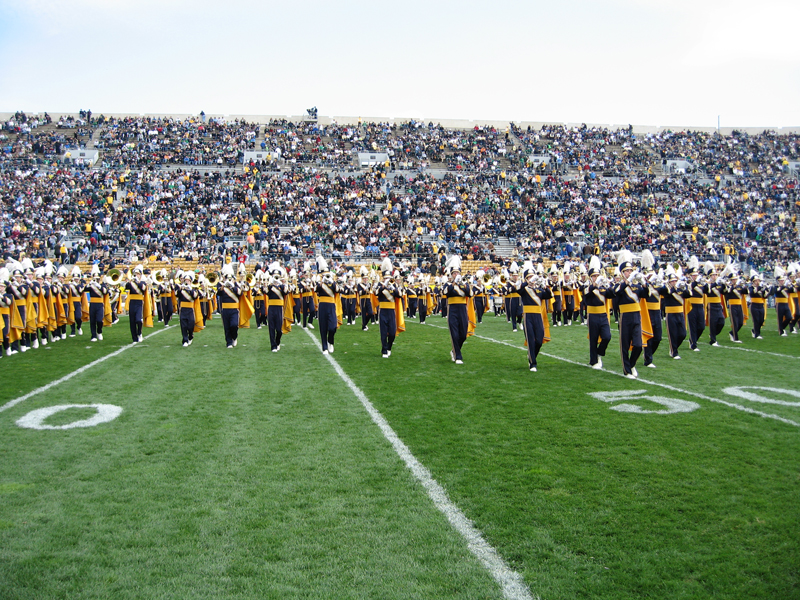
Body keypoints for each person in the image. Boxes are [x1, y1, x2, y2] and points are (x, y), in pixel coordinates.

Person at [509, 261, 552, 372]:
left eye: (533, 276)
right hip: (528, 316)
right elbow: (517, 288)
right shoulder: (524, 290)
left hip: (538, 316)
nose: (532, 279)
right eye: (529, 277)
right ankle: (533, 363)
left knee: (539, 341)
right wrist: (526, 282)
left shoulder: (539, 289)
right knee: (531, 340)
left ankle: (531, 355)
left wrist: (545, 285)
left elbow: (549, 295)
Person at [613, 253, 648, 379]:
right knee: (625, 345)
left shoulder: (636, 285)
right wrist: (626, 282)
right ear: (622, 273)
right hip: (625, 316)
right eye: (626, 271)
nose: (629, 272)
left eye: (630, 270)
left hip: (636, 316)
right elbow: (616, 292)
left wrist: (644, 283)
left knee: (638, 345)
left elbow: (646, 294)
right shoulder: (619, 285)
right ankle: (627, 370)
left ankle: (632, 364)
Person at [583, 256, 614, 370]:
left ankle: (599, 353)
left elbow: (612, 295)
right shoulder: (587, 286)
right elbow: (586, 294)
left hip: (603, 315)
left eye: (597, 275)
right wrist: (594, 286)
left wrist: (608, 286)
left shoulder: (603, 287)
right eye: (594, 276)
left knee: (607, 336)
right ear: (590, 277)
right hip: (592, 315)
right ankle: (594, 361)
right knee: (593, 339)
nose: (596, 278)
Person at [442, 255, 473, 365]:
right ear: (451, 275)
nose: (456, 275)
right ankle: (458, 356)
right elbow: (445, 292)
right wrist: (454, 283)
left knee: (463, 334)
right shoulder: (448, 284)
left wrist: (464, 284)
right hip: (453, 310)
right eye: (454, 273)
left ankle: (454, 351)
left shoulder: (464, 284)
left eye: (457, 273)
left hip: (462, 310)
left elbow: (470, 294)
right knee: (454, 334)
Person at [656, 269, 690, 360]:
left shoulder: (679, 289)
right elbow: (664, 291)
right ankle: (674, 351)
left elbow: (688, 295)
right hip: (670, 313)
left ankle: (674, 348)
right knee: (673, 334)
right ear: (669, 282)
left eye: (675, 281)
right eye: (672, 281)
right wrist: (669, 286)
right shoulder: (666, 289)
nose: (674, 282)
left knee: (683, 334)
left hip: (680, 313)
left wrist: (686, 287)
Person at [374, 258, 402, 358]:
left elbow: (400, 295)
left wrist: (394, 288)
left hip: (391, 311)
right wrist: (383, 286)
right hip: (383, 310)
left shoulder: (394, 285)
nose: (388, 280)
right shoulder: (379, 285)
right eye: (386, 278)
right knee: (383, 332)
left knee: (392, 333)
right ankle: (384, 350)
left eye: (389, 278)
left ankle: (389, 347)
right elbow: (376, 293)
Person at [314, 256, 340, 355]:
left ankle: (331, 342)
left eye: (327, 275)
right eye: (324, 275)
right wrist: (321, 281)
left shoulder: (333, 283)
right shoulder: (319, 283)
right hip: (322, 306)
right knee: (323, 326)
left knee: (332, 327)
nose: (326, 276)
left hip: (331, 305)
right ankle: (324, 347)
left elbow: (338, 290)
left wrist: (332, 281)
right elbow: (316, 290)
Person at [265, 262, 289, 352]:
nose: (276, 278)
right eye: (274, 276)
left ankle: (277, 341)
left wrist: (283, 284)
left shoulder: (282, 287)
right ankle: (273, 346)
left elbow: (286, 292)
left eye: (277, 276)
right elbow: (265, 291)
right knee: (271, 327)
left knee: (279, 329)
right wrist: (269, 283)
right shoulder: (270, 287)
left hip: (279, 309)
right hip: (271, 308)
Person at [217, 264, 242, 349]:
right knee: (227, 327)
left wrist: (233, 286)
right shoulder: (221, 286)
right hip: (225, 309)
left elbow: (240, 293)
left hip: (234, 309)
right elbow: (218, 293)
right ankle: (229, 342)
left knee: (234, 325)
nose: (228, 280)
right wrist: (224, 285)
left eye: (230, 278)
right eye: (227, 278)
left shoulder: (236, 285)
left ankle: (234, 337)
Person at [702, 262, 726, 347]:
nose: (714, 276)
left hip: (718, 305)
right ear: (709, 276)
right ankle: (713, 340)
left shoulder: (718, 284)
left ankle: (713, 334)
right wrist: (715, 284)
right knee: (713, 322)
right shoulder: (707, 284)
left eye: (715, 275)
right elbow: (705, 290)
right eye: (713, 275)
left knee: (721, 322)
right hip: (711, 305)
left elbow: (724, 292)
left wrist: (725, 285)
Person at [684, 259, 706, 352]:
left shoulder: (700, 283)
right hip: (691, 306)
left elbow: (706, 291)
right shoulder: (688, 283)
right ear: (690, 276)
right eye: (693, 275)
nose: (695, 276)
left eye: (696, 275)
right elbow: (690, 288)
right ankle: (693, 344)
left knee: (701, 326)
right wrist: (696, 281)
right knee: (692, 326)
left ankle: (693, 340)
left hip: (700, 305)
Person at [175, 271, 199, 347]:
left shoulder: (194, 288)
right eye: (186, 280)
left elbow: (195, 296)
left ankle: (190, 336)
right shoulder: (181, 289)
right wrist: (181, 289)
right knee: (183, 326)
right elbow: (176, 295)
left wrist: (190, 289)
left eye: (188, 280)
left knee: (190, 325)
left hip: (190, 309)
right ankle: (185, 340)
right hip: (183, 309)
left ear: (191, 281)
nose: (186, 282)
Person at [125, 265, 147, 343]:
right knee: (132, 321)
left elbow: (143, 288)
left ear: (140, 275)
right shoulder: (131, 283)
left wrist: (138, 282)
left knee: (138, 319)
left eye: (138, 274)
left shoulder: (143, 282)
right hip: (132, 302)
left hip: (139, 302)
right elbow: (126, 288)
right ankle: (134, 338)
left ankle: (139, 333)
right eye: (135, 274)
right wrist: (130, 281)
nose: (136, 275)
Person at [86, 266, 108, 342]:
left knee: (99, 320)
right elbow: (83, 290)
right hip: (92, 304)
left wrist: (98, 286)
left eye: (97, 278)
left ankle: (99, 332)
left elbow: (106, 292)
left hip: (100, 305)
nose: (96, 280)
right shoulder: (91, 286)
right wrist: (89, 284)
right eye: (95, 278)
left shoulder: (102, 285)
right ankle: (93, 335)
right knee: (92, 321)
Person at [771, 267, 793, 337]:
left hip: (786, 304)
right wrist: (780, 287)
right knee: (780, 318)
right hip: (779, 304)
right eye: (781, 281)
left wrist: (792, 285)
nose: (782, 282)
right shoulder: (776, 287)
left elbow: (792, 290)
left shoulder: (785, 287)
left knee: (789, 317)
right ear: (778, 281)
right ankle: (781, 331)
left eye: (783, 280)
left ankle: (782, 328)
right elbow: (775, 291)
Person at [748, 272, 767, 339]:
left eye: (758, 280)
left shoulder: (761, 288)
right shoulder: (751, 288)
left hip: (761, 305)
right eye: (756, 281)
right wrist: (759, 288)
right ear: (753, 282)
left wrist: (766, 290)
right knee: (756, 320)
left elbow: (765, 296)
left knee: (761, 320)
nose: (757, 282)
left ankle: (754, 330)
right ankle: (757, 334)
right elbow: (752, 292)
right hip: (754, 305)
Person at [357, 266, 374, 331]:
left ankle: (365, 323)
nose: (365, 279)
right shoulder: (359, 285)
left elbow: (370, 291)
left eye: (366, 278)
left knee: (370, 313)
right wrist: (365, 289)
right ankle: (364, 326)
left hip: (368, 299)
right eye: (364, 278)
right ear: (362, 279)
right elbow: (360, 293)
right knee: (363, 313)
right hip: (362, 299)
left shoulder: (369, 284)